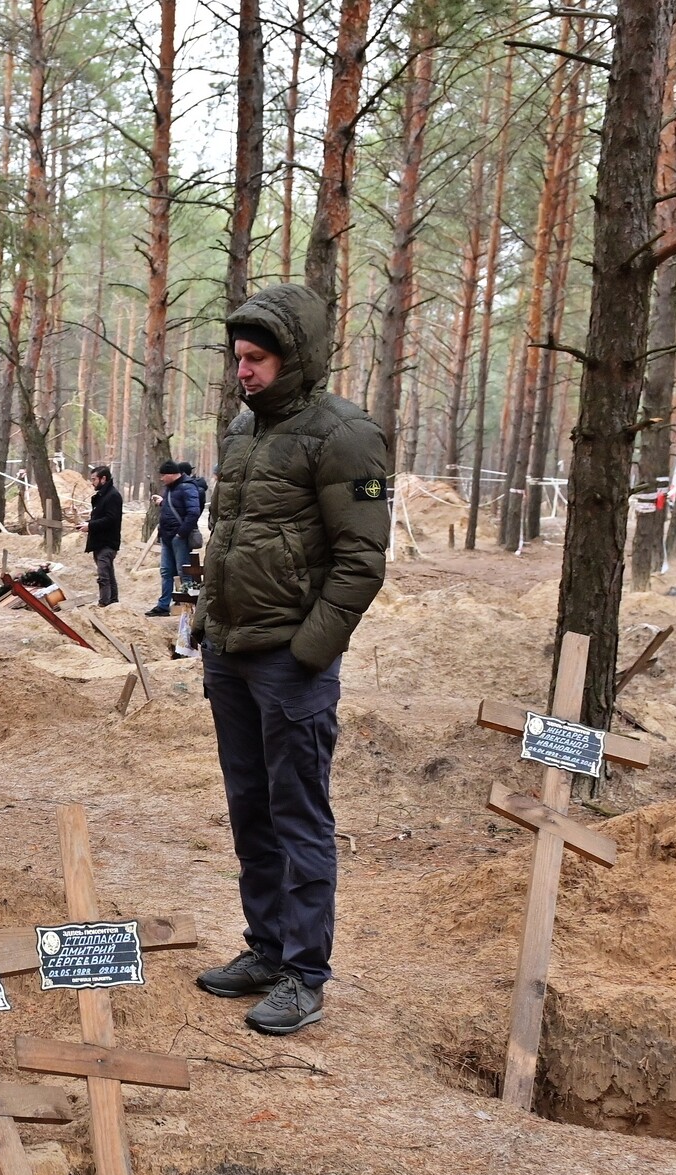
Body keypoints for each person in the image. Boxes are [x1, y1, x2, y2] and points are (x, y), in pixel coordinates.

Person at [192, 282, 390, 1036]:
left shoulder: (348, 435)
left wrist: (309, 654)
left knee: (296, 815)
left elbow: (361, 560)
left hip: (289, 666)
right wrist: (206, 624)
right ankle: (265, 949)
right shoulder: (243, 432)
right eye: (238, 358)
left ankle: (304, 974)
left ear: (294, 357)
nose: (242, 372)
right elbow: (228, 538)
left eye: (256, 359)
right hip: (230, 655)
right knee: (250, 812)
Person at [148, 460, 207, 616]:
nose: (161, 479)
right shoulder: (170, 489)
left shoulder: (187, 487)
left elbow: (193, 513)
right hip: (168, 537)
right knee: (166, 571)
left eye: (163, 475)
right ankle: (163, 606)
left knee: (184, 571)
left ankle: (186, 605)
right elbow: (172, 507)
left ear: (171, 474)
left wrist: (180, 533)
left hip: (179, 537)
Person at [84, 465, 123, 606]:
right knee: (109, 573)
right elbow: (100, 517)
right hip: (100, 541)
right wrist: (88, 523)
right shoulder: (102, 495)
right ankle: (113, 601)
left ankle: (104, 602)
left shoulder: (112, 496)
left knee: (103, 575)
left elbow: (110, 519)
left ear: (103, 479)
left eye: (94, 479)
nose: (92, 482)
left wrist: (90, 526)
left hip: (107, 542)